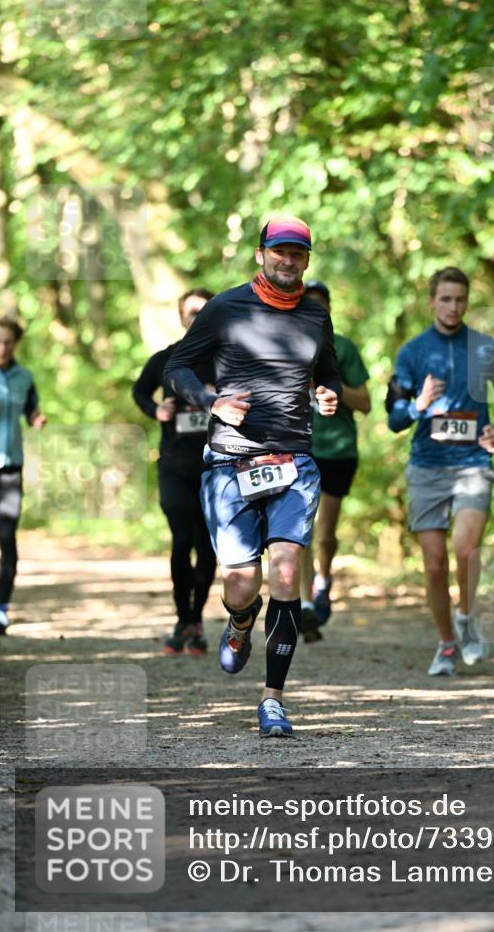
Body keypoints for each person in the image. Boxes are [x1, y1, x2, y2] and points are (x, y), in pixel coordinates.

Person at [164, 215, 341, 736]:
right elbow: (177, 367)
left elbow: (327, 371)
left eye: (299, 253)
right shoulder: (226, 306)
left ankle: (273, 701)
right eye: (280, 251)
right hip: (230, 462)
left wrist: (326, 392)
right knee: (242, 585)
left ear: (307, 259)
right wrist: (211, 400)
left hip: (294, 461)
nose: (289, 260)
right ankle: (241, 621)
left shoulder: (316, 315)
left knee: (287, 572)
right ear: (261, 254)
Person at [387, 267, 494, 677]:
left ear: (467, 302)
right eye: (445, 299)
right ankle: (446, 644)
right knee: (433, 565)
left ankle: (466, 616)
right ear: (432, 301)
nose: (453, 306)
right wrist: (418, 404)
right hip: (427, 467)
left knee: (466, 548)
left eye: (460, 299)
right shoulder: (412, 352)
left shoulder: (484, 348)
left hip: (473, 464)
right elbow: (393, 419)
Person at [133, 289, 217, 654]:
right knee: (181, 540)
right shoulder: (165, 361)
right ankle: (182, 618)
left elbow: (251, 395)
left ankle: (196, 620)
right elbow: (139, 392)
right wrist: (157, 411)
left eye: (205, 312)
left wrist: (221, 396)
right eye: (191, 312)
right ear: (182, 317)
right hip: (174, 467)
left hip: (216, 469)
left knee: (207, 547)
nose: (197, 318)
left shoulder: (225, 360)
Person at [299, 280, 371, 639]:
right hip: (299, 449)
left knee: (325, 532)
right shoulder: (287, 346)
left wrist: (333, 387)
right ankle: (305, 606)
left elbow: (366, 403)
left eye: (321, 305)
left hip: (339, 449)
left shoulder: (344, 349)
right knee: (301, 529)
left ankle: (323, 583)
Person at [0, 317, 46, 635]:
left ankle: (0, 609)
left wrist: (36, 417)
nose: (1, 348)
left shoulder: (24, 376)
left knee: (8, 540)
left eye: (7, 342)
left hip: (10, 468)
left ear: (16, 344)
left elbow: (31, 410)